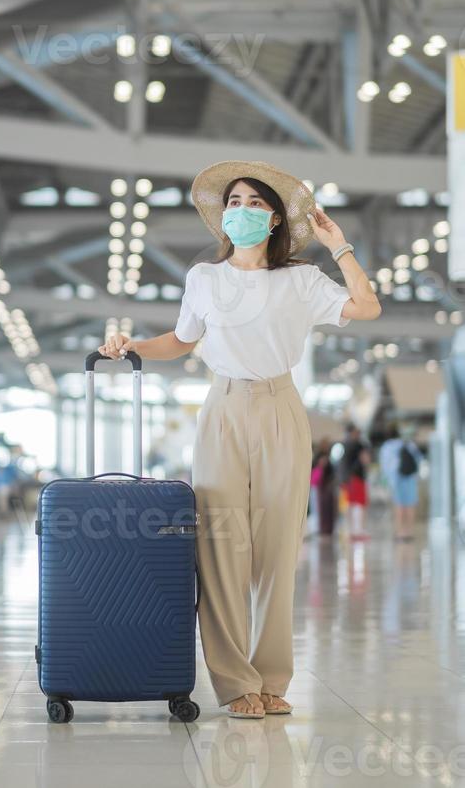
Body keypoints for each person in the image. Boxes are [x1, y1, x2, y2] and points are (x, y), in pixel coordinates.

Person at [98, 160, 381, 719]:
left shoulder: (300, 279)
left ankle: (273, 679)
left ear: (275, 219)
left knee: (278, 549)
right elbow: (181, 341)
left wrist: (340, 246)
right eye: (233, 202)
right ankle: (234, 682)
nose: (241, 211)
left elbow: (367, 307)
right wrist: (131, 345)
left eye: (254, 203)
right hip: (223, 410)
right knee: (221, 547)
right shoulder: (204, 279)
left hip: (282, 409)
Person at [379, 425, 421, 541]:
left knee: (399, 506)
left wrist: (385, 481)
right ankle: (409, 532)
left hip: (396, 479)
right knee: (410, 505)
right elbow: (418, 460)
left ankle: (400, 532)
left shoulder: (386, 447)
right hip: (410, 478)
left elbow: (385, 466)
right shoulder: (409, 444)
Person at [346, 442, 371, 540]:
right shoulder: (357, 468)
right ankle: (357, 531)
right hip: (357, 485)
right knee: (358, 507)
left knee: (357, 507)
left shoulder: (357, 467)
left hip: (357, 485)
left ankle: (356, 530)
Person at [311, 448, 337, 536]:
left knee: (328, 512)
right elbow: (314, 481)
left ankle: (328, 529)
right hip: (317, 492)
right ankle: (319, 529)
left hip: (327, 495)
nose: (324, 461)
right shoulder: (316, 469)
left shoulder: (329, 470)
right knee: (317, 510)